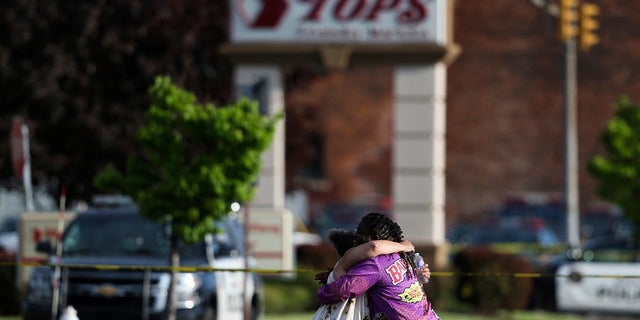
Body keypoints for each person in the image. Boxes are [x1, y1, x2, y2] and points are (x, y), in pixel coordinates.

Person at [317, 212, 440, 320]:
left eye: (361, 232)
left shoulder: (375, 264)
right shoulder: (401, 255)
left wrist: (323, 291)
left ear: (375, 238)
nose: (356, 236)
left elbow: (343, 290)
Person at [312, 228, 418, 320]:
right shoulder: (346, 272)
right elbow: (374, 246)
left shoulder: (360, 274)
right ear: (353, 252)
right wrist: (402, 245)